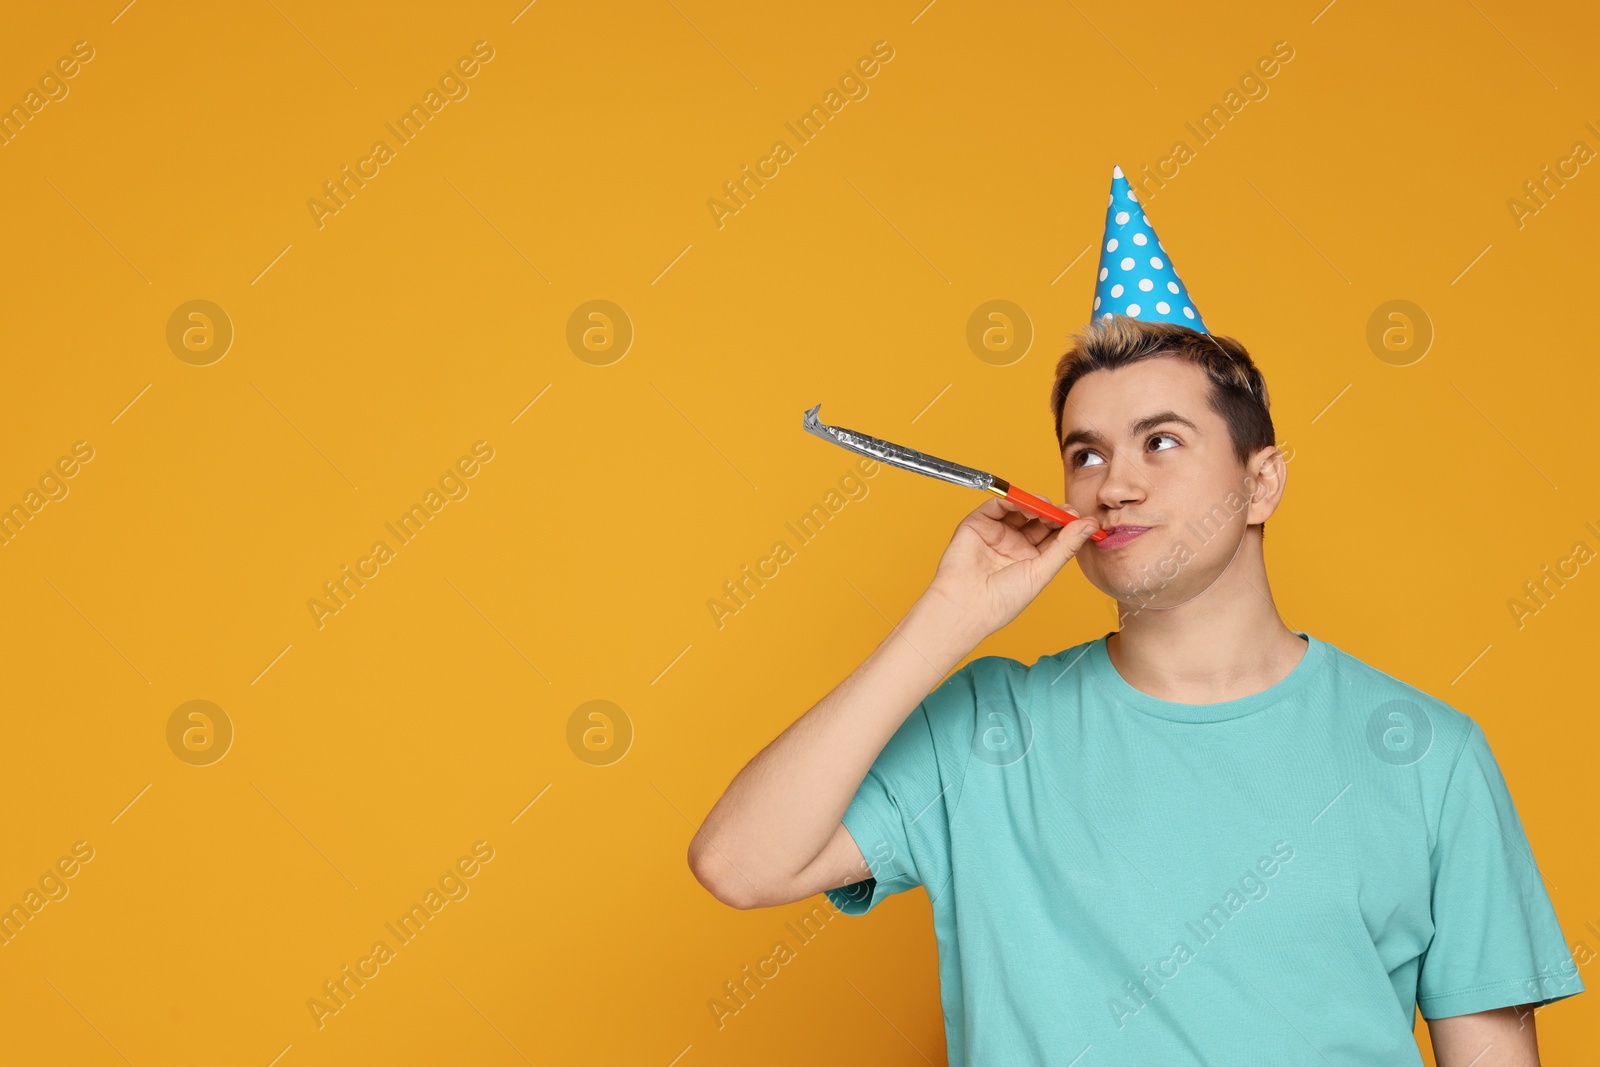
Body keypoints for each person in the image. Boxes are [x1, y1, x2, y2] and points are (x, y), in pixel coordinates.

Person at [688, 168, 1585, 1065]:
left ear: (1261, 480)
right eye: (1086, 453)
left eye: (1161, 440)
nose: (1114, 484)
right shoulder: (987, 728)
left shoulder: (1429, 753)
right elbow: (740, 863)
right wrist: (948, 616)